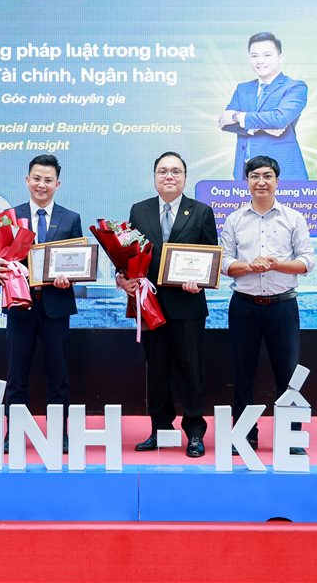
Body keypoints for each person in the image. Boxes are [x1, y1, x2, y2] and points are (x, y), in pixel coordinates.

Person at [117, 152, 218, 457]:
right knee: (157, 371)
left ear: (185, 178)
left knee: (191, 370)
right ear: (155, 177)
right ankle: (160, 431)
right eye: (163, 171)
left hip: (188, 304)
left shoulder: (201, 212)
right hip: (150, 304)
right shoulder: (140, 210)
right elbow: (129, 254)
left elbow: (210, 256)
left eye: (175, 171)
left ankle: (195, 433)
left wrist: (199, 280)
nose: (169, 176)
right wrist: (124, 278)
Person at [0, 154, 82, 454]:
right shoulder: (9, 217)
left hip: (56, 306)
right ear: (27, 180)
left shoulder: (71, 218)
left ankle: (59, 432)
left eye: (48, 180)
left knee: (59, 374)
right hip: (20, 306)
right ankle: (13, 432)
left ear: (57, 184)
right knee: (17, 372)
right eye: (37, 178)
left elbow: (77, 262)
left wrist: (70, 278)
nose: (42, 184)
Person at [219, 155, 315, 455]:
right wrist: (250, 266)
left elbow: (307, 262)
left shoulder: (294, 218)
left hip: (282, 306)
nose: (261, 182)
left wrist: (276, 264)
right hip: (244, 306)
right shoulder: (234, 220)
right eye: (255, 176)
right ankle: (245, 435)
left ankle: (291, 437)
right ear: (247, 181)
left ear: (277, 181)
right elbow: (224, 263)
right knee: (242, 373)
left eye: (267, 176)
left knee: (288, 373)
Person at [218, 32, 310, 181]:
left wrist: (238, 116)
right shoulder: (243, 89)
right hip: (245, 173)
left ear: (280, 57)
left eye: (267, 55)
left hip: (282, 173)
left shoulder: (295, 87)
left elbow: (279, 119)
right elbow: (224, 123)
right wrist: (262, 127)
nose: (260, 61)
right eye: (254, 56)